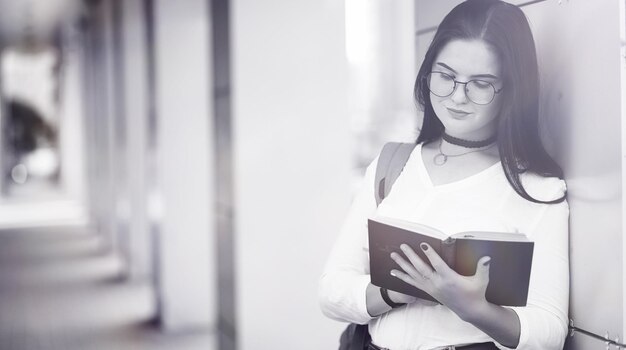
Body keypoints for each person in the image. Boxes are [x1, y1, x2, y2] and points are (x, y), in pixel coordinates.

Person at [318, 1, 569, 349]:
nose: (457, 96)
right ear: (428, 72)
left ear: (512, 90)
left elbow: (550, 330)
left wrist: (473, 308)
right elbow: (331, 291)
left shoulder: (537, 189)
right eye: (446, 76)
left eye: (480, 84)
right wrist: (393, 291)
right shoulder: (393, 164)